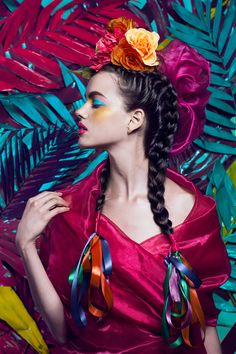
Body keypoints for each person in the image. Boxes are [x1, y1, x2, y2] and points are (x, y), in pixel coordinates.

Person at [15, 17, 230, 353]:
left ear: (134, 120)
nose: (79, 111)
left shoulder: (195, 215)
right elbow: (60, 332)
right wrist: (27, 244)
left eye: (95, 103)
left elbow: (205, 330)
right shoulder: (69, 209)